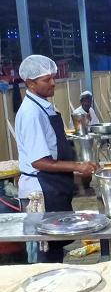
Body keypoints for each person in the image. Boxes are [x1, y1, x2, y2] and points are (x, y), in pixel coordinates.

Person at [15, 55, 97, 263]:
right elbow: (39, 161)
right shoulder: (31, 113)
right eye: (46, 79)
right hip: (41, 191)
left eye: (53, 77)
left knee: (55, 249)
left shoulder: (44, 107)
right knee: (45, 252)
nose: (53, 83)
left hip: (53, 186)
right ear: (30, 83)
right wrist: (78, 166)